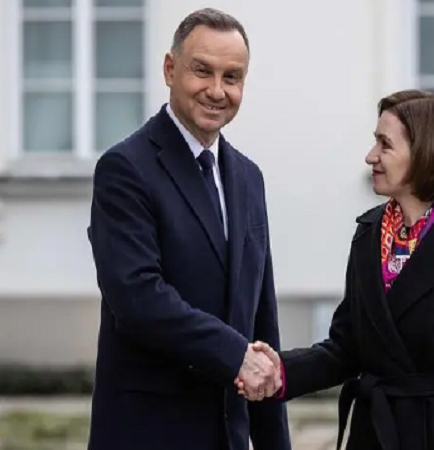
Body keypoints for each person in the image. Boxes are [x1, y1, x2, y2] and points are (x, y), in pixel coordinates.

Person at [238, 90, 434, 450]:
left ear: (426, 153)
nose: (371, 156)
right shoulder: (368, 234)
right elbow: (346, 348)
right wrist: (281, 371)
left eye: (385, 145)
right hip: (371, 433)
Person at [87, 8, 289, 450]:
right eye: (202, 71)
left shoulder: (249, 178)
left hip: (227, 436)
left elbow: (261, 319)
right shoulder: (125, 169)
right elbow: (138, 298)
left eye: (232, 77)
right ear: (169, 69)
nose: (217, 91)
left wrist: (274, 441)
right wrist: (236, 356)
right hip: (148, 434)